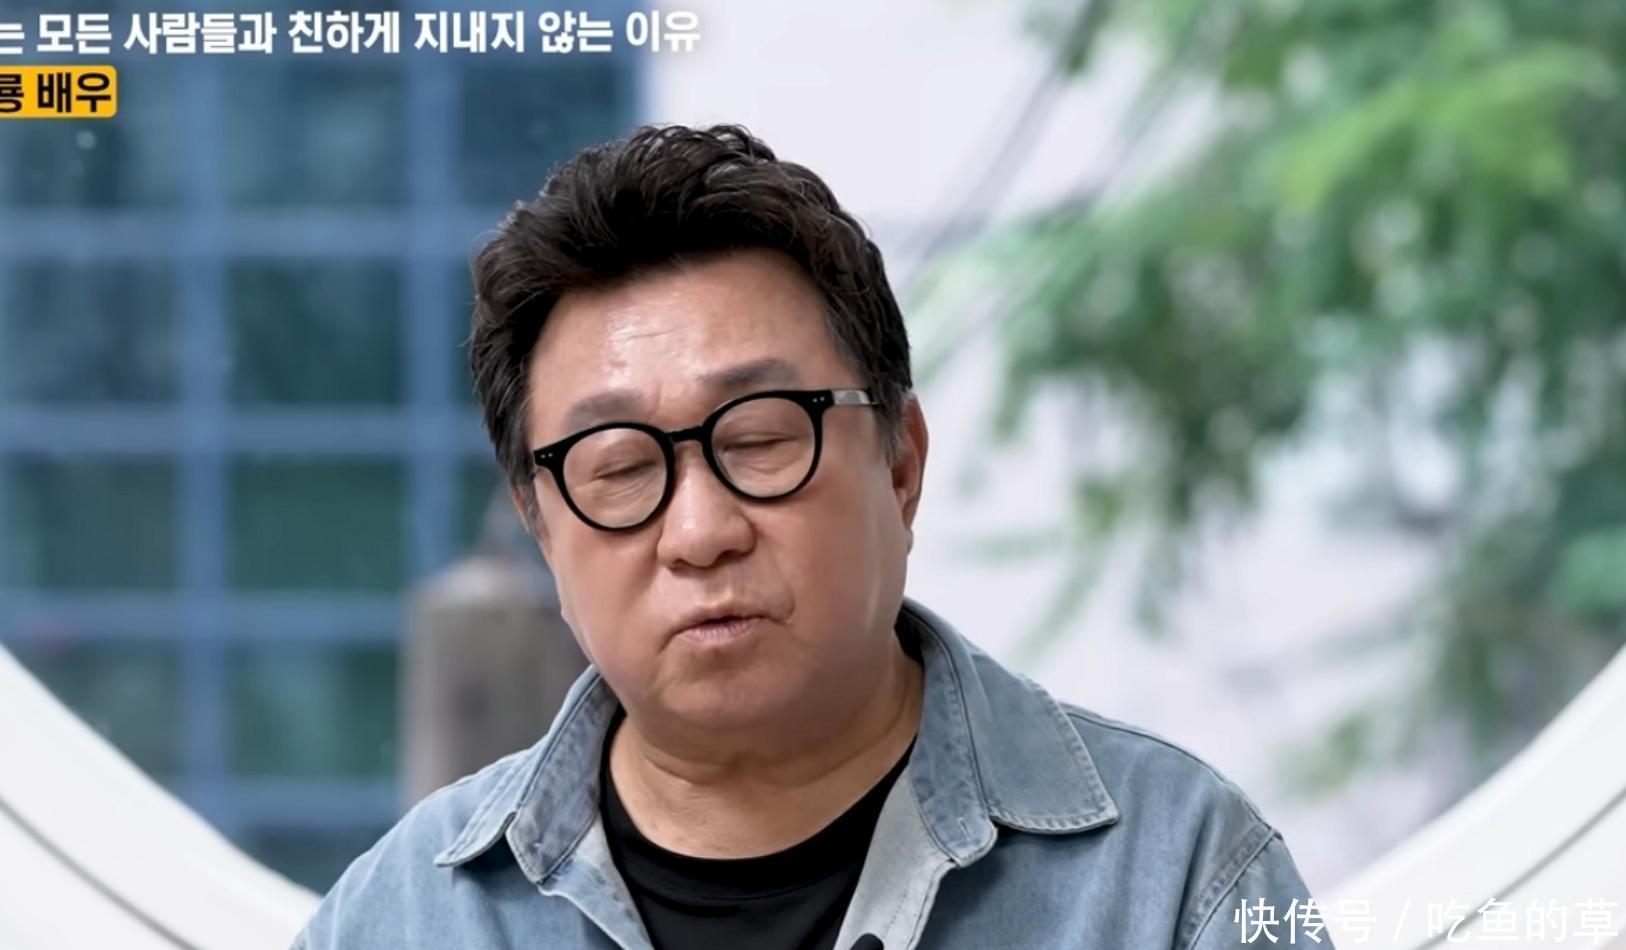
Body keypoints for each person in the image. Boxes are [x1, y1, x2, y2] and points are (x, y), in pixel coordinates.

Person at [292, 123, 1326, 950]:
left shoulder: (1176, 879)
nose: (700, 532)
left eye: (760, 439)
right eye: (621, 467)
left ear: (901, 464)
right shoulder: (401, 920)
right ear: (543, 530)